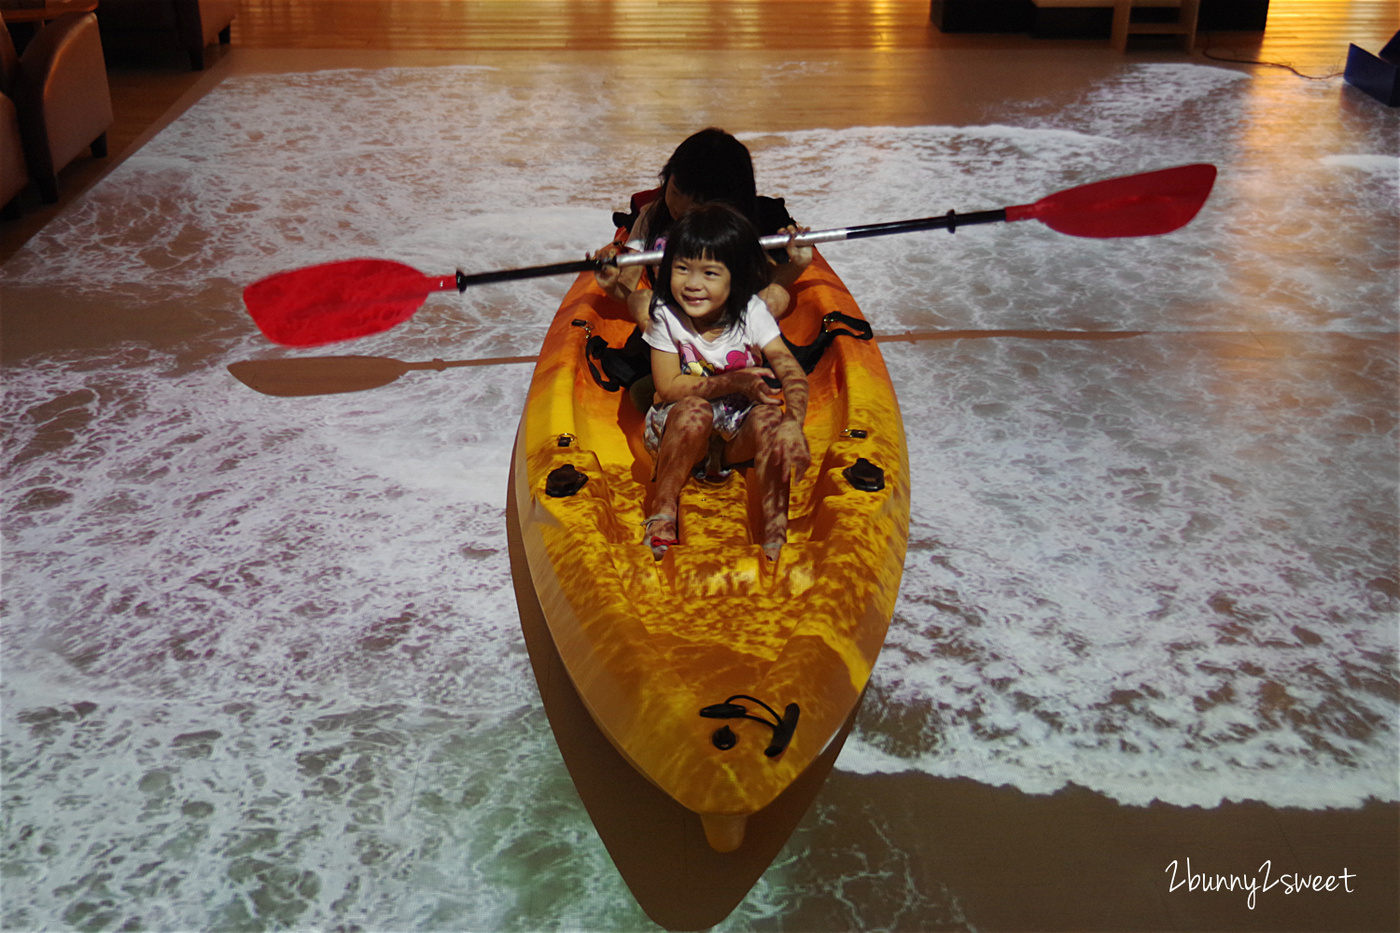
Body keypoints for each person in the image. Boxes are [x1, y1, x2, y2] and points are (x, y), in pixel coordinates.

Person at [631, 204, 811, 564]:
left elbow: (791, 371)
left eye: (710, 273)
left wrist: (794, 422)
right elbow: (668, 386)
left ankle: (775, 533)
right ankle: (664, 509)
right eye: (682, 269)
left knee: (770, 419)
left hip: (733, 435)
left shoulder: (752, 313)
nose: (693, 285)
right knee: (695, 411)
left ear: (738, 276)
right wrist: (735, 381)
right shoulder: (666, 316)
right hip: (678, 428)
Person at [593, 127, 811, 323]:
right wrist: (611, 285)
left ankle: (745, 354)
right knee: (640, 299)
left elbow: (765, 280)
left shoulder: (733, 228)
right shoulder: (651, 217)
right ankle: (670, 359)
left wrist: (797, 264)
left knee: (776, 295)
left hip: (733, 327)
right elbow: (628, 287)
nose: (678, 208)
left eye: (696, 203)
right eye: (675, 192)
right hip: (674, 327)